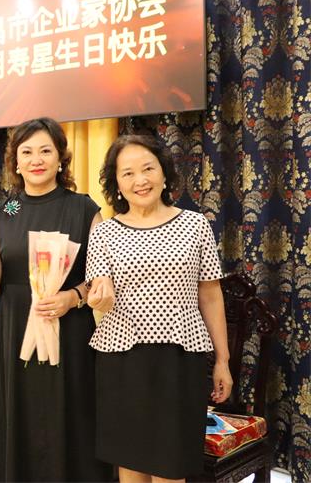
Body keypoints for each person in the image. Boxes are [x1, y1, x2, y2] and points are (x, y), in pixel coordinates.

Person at [0, 118, 112, 482]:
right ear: (15, 161)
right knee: (22, 413)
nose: (36, 159)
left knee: (70, 412)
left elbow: (99, 279)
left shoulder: (84, 209)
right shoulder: (2, 213)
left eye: (46, 151)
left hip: (70, 327)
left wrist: (73, 298)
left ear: (60, 158)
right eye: (27, 152)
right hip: (17, 325)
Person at [86, 134, 233, 482]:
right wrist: (99, 297)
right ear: (117, 183)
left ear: (164, 173)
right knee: (130, 465)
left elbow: (210, 295)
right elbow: (100, 287)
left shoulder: (195, 225)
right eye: (128, 173)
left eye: (148, 169)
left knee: (172, 467)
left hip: (179, 360)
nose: (140, 180)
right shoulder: (104, 233)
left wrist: (223, 360)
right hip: (122, 360)